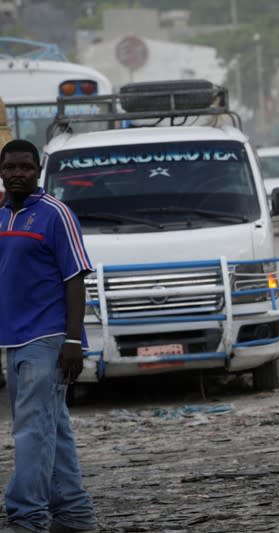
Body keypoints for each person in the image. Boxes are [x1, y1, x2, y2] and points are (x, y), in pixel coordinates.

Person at [0, 140, 97, 533]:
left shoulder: (56, 214)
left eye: (26, 167)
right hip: (13, 339)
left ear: (38, 170)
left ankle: (26, 517)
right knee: (51, 429)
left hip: (50, 337)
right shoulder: (3, 214)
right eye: (11, 167)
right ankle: (74, 516)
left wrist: (73, 342)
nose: (17, 173)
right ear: (2, 170)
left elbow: (75, 279)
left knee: (31, 430)